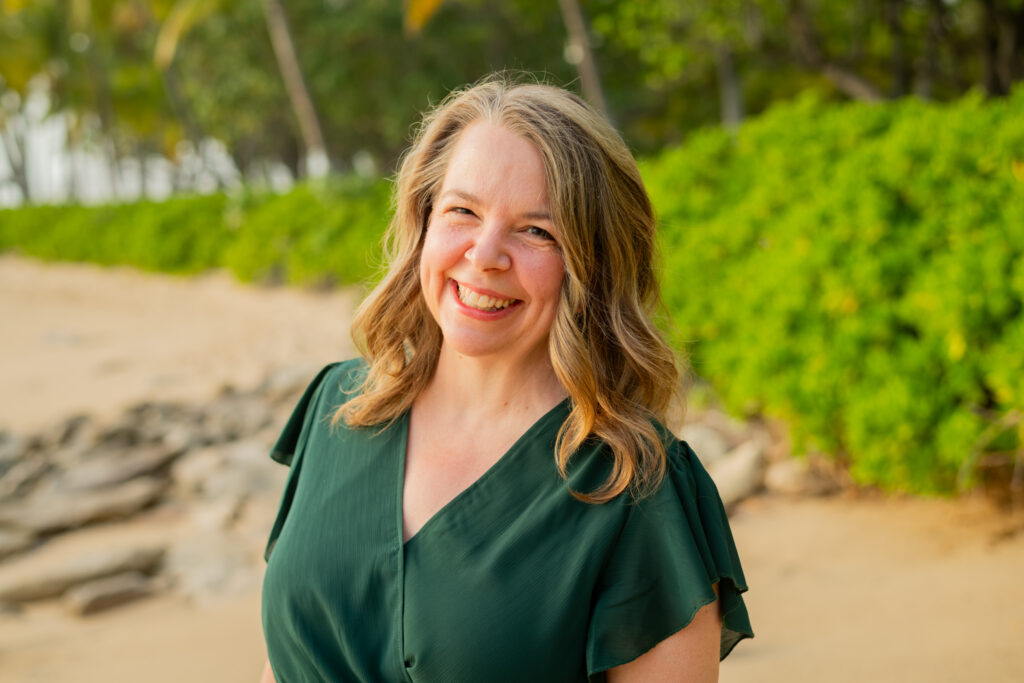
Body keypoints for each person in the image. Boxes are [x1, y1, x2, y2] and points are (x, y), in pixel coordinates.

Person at [259, 75, 752, 683]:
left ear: (592, 265)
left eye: (537, 231)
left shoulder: (637, 485)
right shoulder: (336, 407)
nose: (485, 254)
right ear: (423, 222)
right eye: (462, 211)